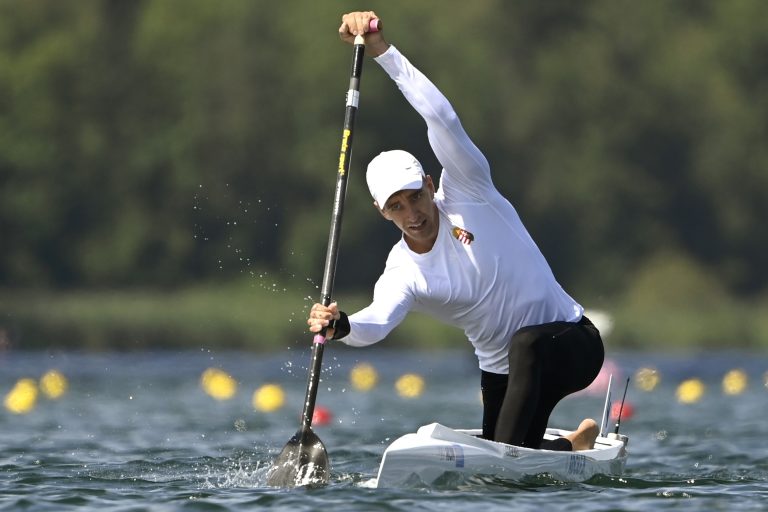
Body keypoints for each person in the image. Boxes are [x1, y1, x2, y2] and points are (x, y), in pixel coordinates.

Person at [308, 11, 604, 451]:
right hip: (502, 372)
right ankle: (573, 445)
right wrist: (340, 325)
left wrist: (381, 52)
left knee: (524, 355)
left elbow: (440, 118)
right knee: (512, 451)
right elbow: (377, 322)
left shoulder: (469, 190)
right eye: (396, 206)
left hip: (571, 343)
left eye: (414, 196)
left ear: (430, 184)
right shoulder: (403, 271)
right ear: (382, 212)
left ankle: (525, 449)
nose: (412, 213)